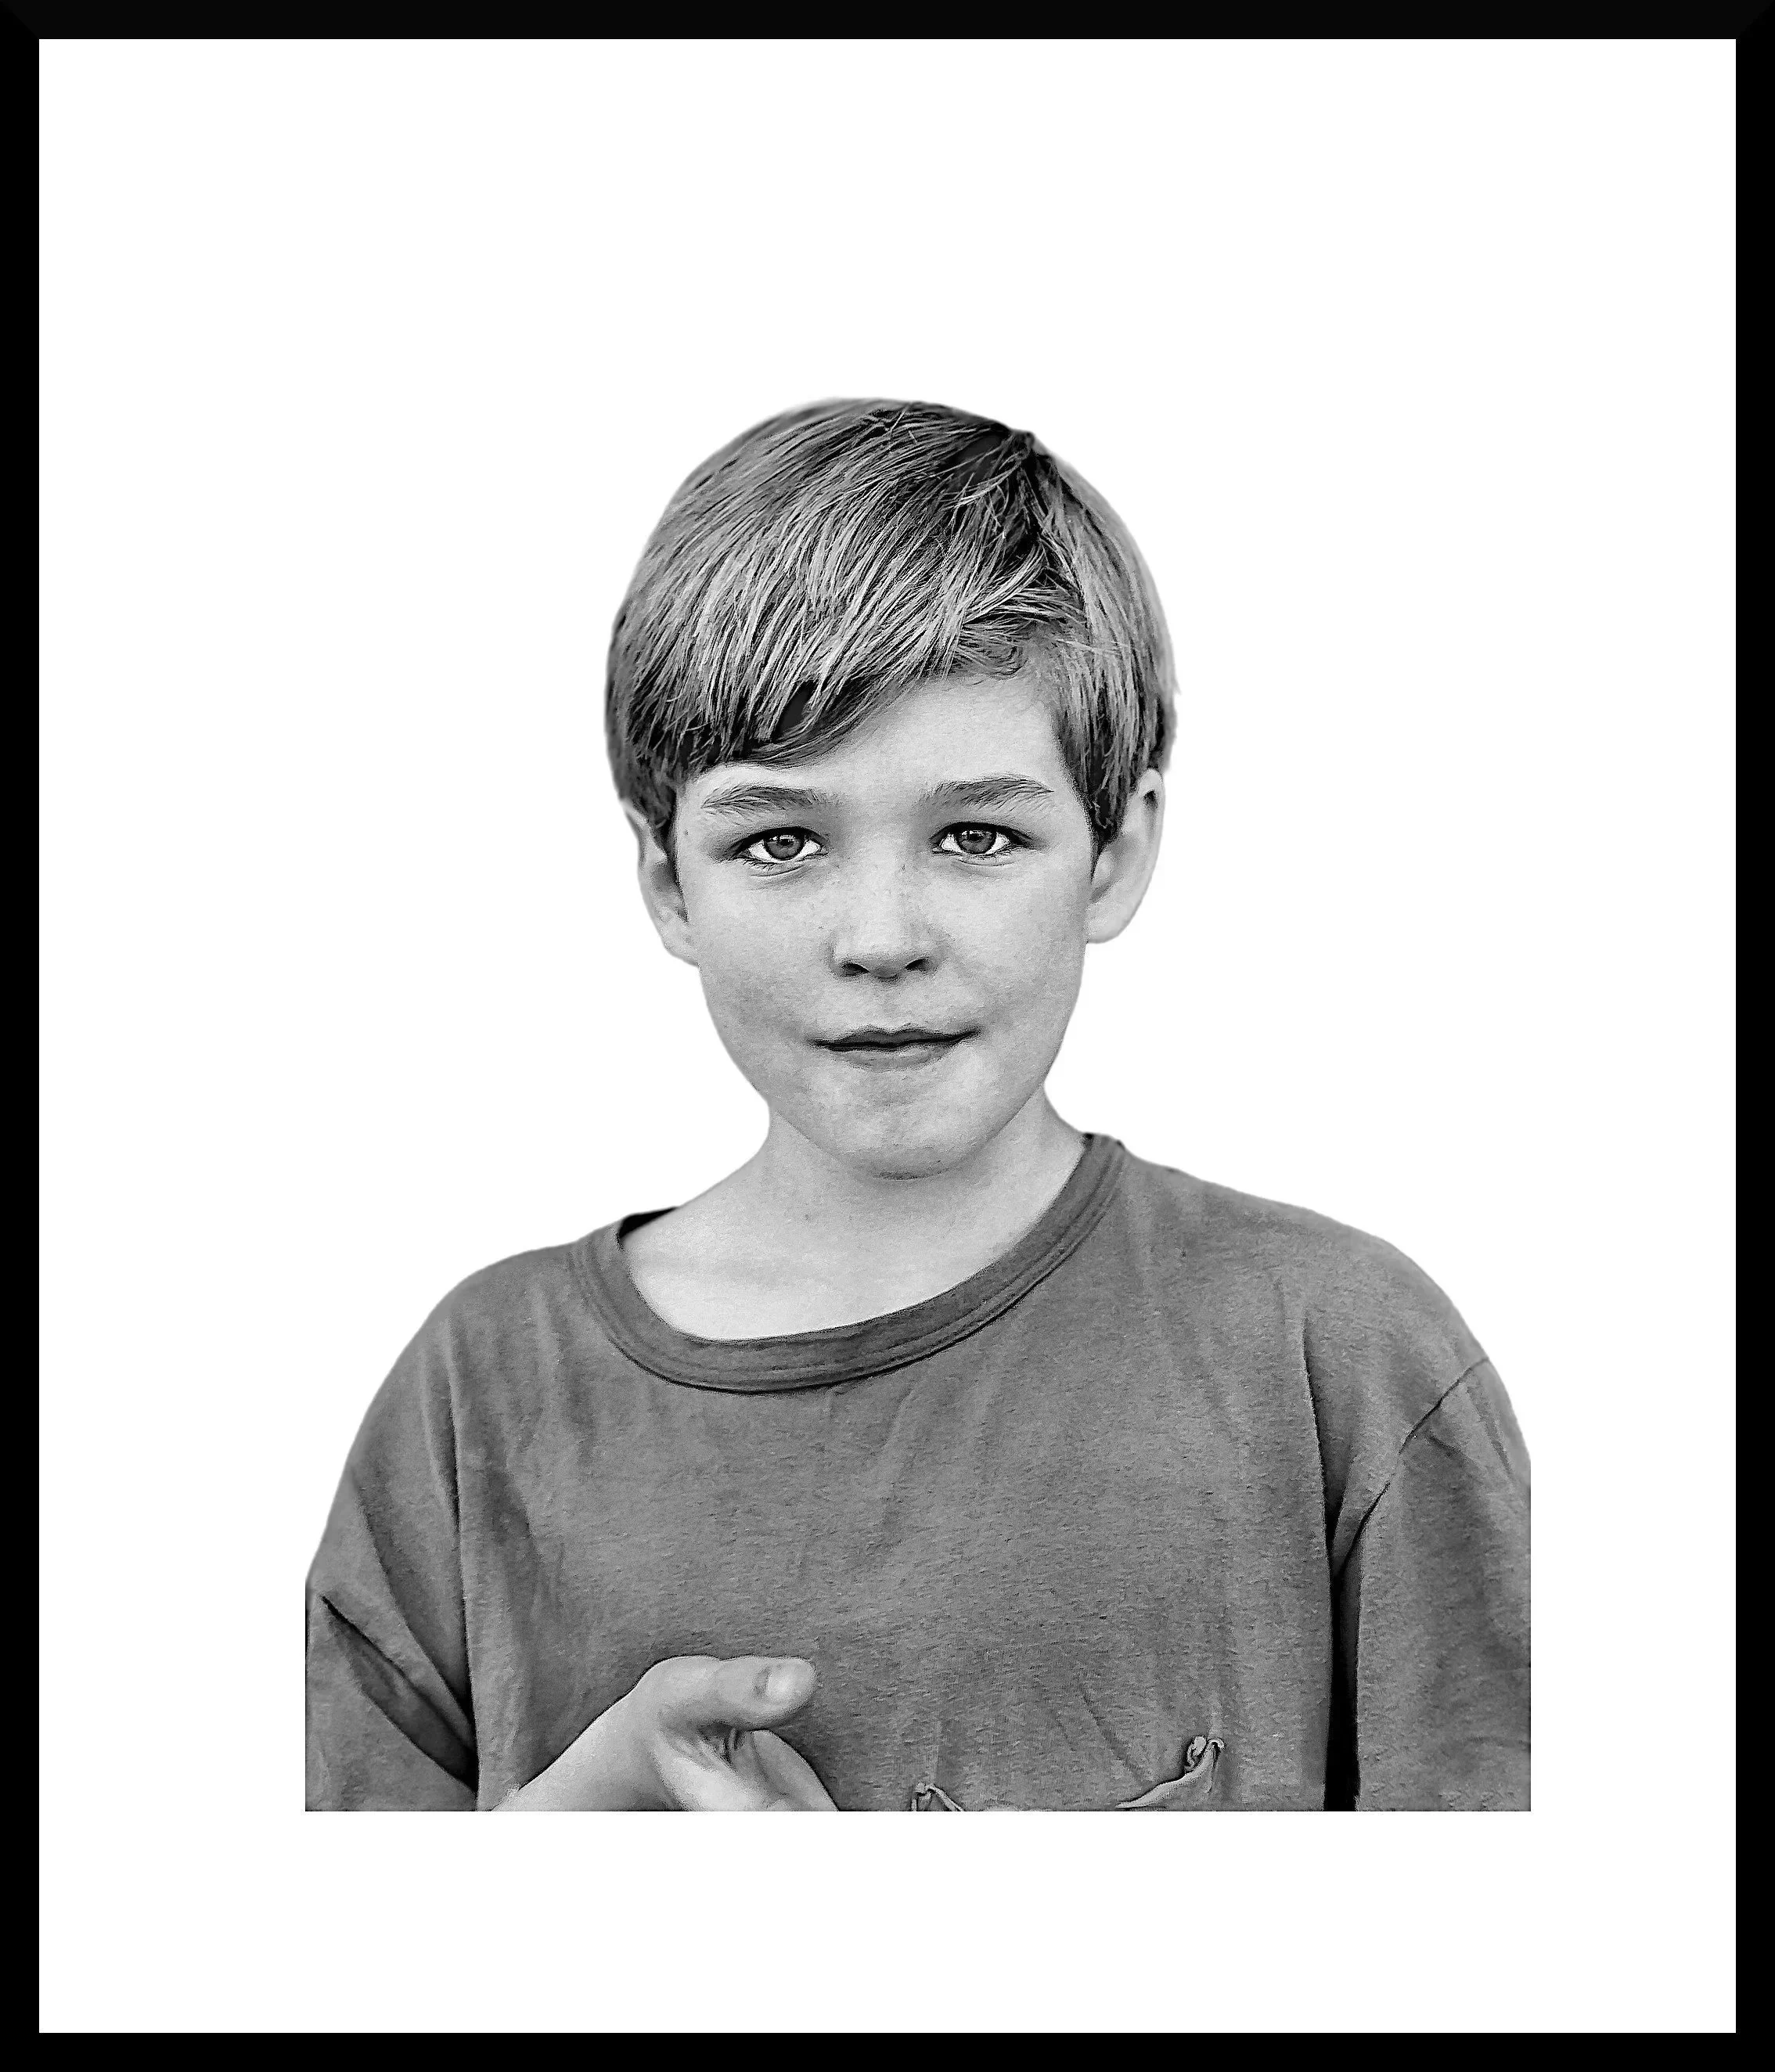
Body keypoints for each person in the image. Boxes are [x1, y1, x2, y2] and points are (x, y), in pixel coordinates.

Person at [304, 399, 1530, 1811]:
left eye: (976, 835)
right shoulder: (475, 1399)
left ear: (1116, 852)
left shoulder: (1343, 1361)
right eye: (779, 838)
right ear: (665, 883)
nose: (881, 934)